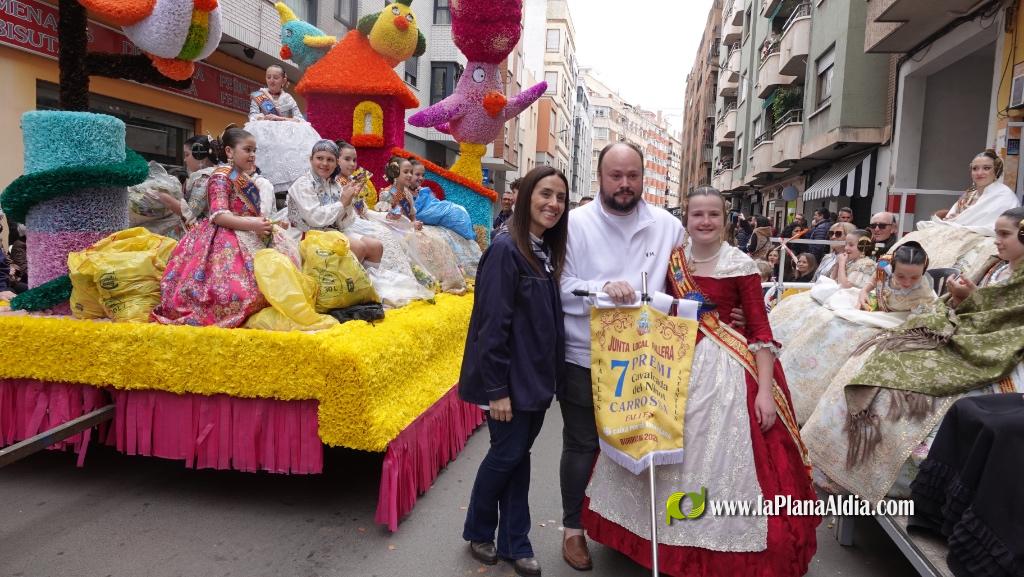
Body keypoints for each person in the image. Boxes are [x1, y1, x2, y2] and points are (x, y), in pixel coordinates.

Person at [583, 186, 819, 577]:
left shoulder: (740, 265)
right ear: (686, 221)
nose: (705, 222)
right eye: (698, 215)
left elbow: (761, 331)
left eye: (713, 215)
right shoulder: (673, 260)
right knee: (658, 443)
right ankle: (652, 538)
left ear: (725, 221)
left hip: (725, 370)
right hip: (671, 362)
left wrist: (764, 392)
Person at [557, 142, 745, 571]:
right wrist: (602, 289)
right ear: (599, 178)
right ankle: (573, 529)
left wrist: (726, 303)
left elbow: (691, 283)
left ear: (644, 177)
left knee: (642, 444)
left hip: (650, 357)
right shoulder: (574, 224)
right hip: (583, 352)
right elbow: (560, 284)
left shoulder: (667, 225)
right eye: (615, 176)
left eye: (632, 177)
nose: (624, 185)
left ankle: (628, 529)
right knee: (584, 443)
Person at [801, 206, 1024, 507]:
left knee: (910, 385)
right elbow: (961, 303)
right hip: (961, 328)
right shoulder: (995, 263)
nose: (997, 240)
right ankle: (839, 463)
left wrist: (970, 300)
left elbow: (1008, 320)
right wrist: (961, 300)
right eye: (996, 233)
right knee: (878, 355)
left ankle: (882, 476)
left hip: (992, 345)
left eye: (1004, 235)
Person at [459, 166, 569, 577]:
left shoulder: (542, 251)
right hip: (509, 383)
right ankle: (481, 531)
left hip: (535, 382)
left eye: (560, 197)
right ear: (525, 198)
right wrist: (496, 388)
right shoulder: (507, 250)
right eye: (545, 194)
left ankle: (512, 541)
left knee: (516, 457)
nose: (552, 204)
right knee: (506, 455)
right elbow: (491, 325)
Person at [152, 127, 273, 327]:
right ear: (229, 152)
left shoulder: (243, 177)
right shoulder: (220, 176)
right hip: (224, 239)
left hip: (248, 234)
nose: (252, 155)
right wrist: (252, 223)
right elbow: (218, 215)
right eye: (247, 150)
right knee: (230, 292)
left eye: (254, 150)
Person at [287, 139, 385, 265]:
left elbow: (344, 223)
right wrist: (342, 203)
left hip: (332, 231)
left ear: (336, 163)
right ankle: (348, 283)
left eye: (330, 160)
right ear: (311, 159)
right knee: (358, 247)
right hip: (307, 234)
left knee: (376, 247)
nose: (324, 163)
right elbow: (315, 219)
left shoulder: (336, 185)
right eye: (319, 158)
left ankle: (365, 280)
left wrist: (349, 202)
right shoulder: (303, 184)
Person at [934, 150, 1020, 226]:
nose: (979, 173)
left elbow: (994, 227)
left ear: (996, 171)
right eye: (975, 168)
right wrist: (952, 219)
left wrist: (957, 222)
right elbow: (950, 217)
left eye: (986, 168)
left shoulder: (1004, 196)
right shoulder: (969, 194)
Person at [857, 241, 936, 312]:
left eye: (915, 277)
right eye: (901, 276)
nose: (907, 283)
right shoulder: (886, 267)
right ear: (892, 268)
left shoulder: (924, 290)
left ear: (923, 272)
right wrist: (864, 290)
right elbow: (875, 278)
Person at [377, 156, 422, 229]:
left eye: (411, 172)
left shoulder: (407, 193)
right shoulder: (387, 194)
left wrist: (415, 224)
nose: (410, 175)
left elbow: (412, 217)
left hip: (407, 231)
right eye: (406, 172)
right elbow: (385, 223)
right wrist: (410, 226)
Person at [184, 135, 220, 220]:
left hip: (207, 228)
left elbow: (191, 212)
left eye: (187, 154)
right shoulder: (218, 172)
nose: (185, 160)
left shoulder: (204, 177)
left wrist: (169, 201)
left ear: (199, 154)